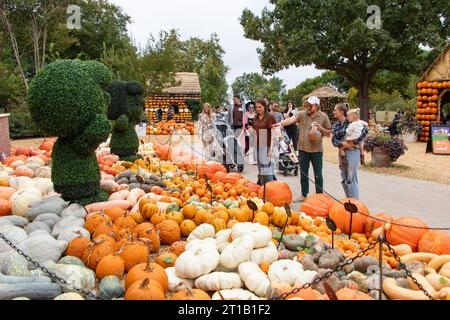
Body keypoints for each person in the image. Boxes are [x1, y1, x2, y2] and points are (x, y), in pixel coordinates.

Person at [281, 96, 331, 202]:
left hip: (316, 150)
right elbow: (291, 119)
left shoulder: (323, 116)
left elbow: (328, 133)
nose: (308, 106)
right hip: (303, 149)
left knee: (318, 174)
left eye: (311, 105)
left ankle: (319, 196)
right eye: (307, 104)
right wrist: (281, 123)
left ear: (317, 106)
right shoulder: (302, 114)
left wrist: (321, 128)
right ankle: (304, 195)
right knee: (303, 173)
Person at [332, 103, 368, 200]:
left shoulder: (352, 121)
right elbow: (334, 141)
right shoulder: (336, 125)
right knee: (344, 178)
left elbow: (365, 131)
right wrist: (344, 145)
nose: (333, 112)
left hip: (352, 152)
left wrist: (355, 142)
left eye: (335, 110)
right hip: (342, 152)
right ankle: (349, 201)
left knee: (351, 178)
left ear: (341, 112)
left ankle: (355, 204)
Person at [253, 99, 277, 185]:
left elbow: (273, 133)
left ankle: (270, 187)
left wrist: (270, 149)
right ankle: (262, 188)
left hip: (266, 144)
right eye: (256, 107)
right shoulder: (256, 116)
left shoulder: (269, 117)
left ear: (264, 107)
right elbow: (254, 129)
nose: (258, 109)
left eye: (260, 107)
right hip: (257, 145)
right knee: (260, 168)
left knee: (266, 169)